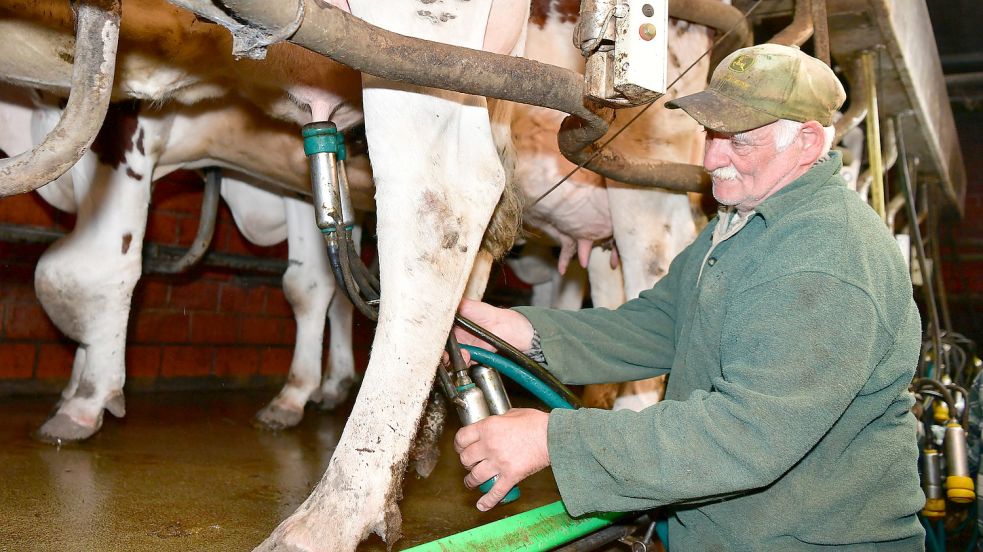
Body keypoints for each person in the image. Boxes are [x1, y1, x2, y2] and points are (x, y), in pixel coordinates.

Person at [453, 43, 926, 550]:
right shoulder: (743, 218)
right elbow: (665, 322)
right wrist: (518, 333)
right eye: (710, 133)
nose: (710, 158)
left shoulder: (826, 256)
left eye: (737, 141)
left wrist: (553, 439)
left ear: (808, 142)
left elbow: (747, 434)